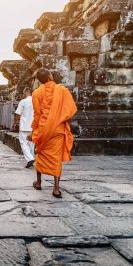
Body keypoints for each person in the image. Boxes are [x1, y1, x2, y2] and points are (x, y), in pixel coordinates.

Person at [29, 69, 77, 198]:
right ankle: (56, 188)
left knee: (40, 153)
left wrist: (34, 129)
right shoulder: (62, 90)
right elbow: (70, 110)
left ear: (39, 80)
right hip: (57, 128)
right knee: (56, 158)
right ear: (50, 76)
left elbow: (37, 114)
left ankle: (39, 182)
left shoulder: (36, 93)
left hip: (43, 129)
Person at [13, 87, 35, 168]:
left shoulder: (23, 101)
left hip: (24, 126)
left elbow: (18, 114)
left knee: (23, 143)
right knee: (31, 144)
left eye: (23, 93)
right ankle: (32, 158)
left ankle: (30, 159)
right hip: (33, 126)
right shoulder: (35, 101)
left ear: (25, 93)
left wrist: (15, 122)